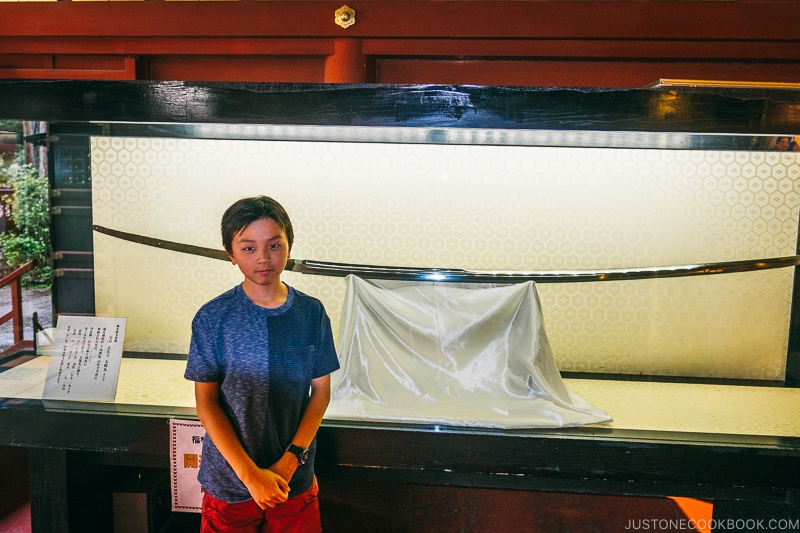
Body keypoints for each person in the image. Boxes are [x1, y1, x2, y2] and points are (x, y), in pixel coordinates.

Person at [184, 196, 340, 533]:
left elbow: (321, 394)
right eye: (249, 248)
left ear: (288, 246)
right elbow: (206, 403)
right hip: (230, 482)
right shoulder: (213, 317)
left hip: (292, 480)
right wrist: (251, 477)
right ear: (231, 254)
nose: (264, 258)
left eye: (274, 245)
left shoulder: (311, 313)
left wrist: (288, 463)